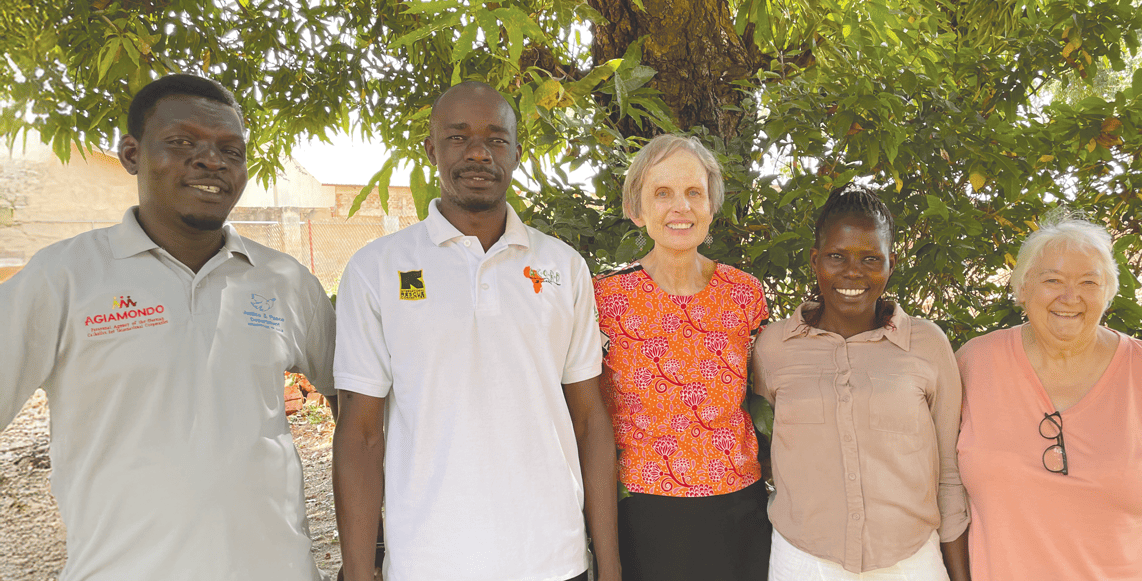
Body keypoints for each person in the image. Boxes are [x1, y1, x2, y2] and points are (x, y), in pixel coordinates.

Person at [0, 74, 336, 579]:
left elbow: (355, 405)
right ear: (132, 154)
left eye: (230, 149)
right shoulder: (63, 277)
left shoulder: (285, 280)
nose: (210, 160)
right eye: (182, 142)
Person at [331, 80, 622, 581]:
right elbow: (360, 435)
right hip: (429, 561)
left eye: (496, 138)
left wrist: (610, 565)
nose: (478, 153)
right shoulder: (377, 268)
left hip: (553, 559)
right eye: (458, 137)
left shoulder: (563, 267)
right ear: (431, 149)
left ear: (517, 151)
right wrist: (359, 569)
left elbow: (589, 422)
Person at [956, 211, 1142, 580]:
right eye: (1052, 279)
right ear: (1022, 287)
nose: (1070, 297)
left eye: (1088, 282)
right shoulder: (974, 363)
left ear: (1108, 293)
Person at [751, 184, 970, 581]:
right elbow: (760, 452)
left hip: (911, 562)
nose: (853, 272)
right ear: (816, 260)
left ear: (891, 264)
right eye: (837, 256)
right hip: (803, 561)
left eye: (870, 258)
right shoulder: (773, 347)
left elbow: (949, 472)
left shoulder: (928, 345)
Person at [594, 134, 771, 581]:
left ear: (712, 206)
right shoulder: (604, 299)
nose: (681, 207)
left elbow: (767, 394)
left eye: (695, 192)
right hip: (643, 512)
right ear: (637, 211)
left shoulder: (743, 293)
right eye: (662, 193)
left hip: (738, 508)